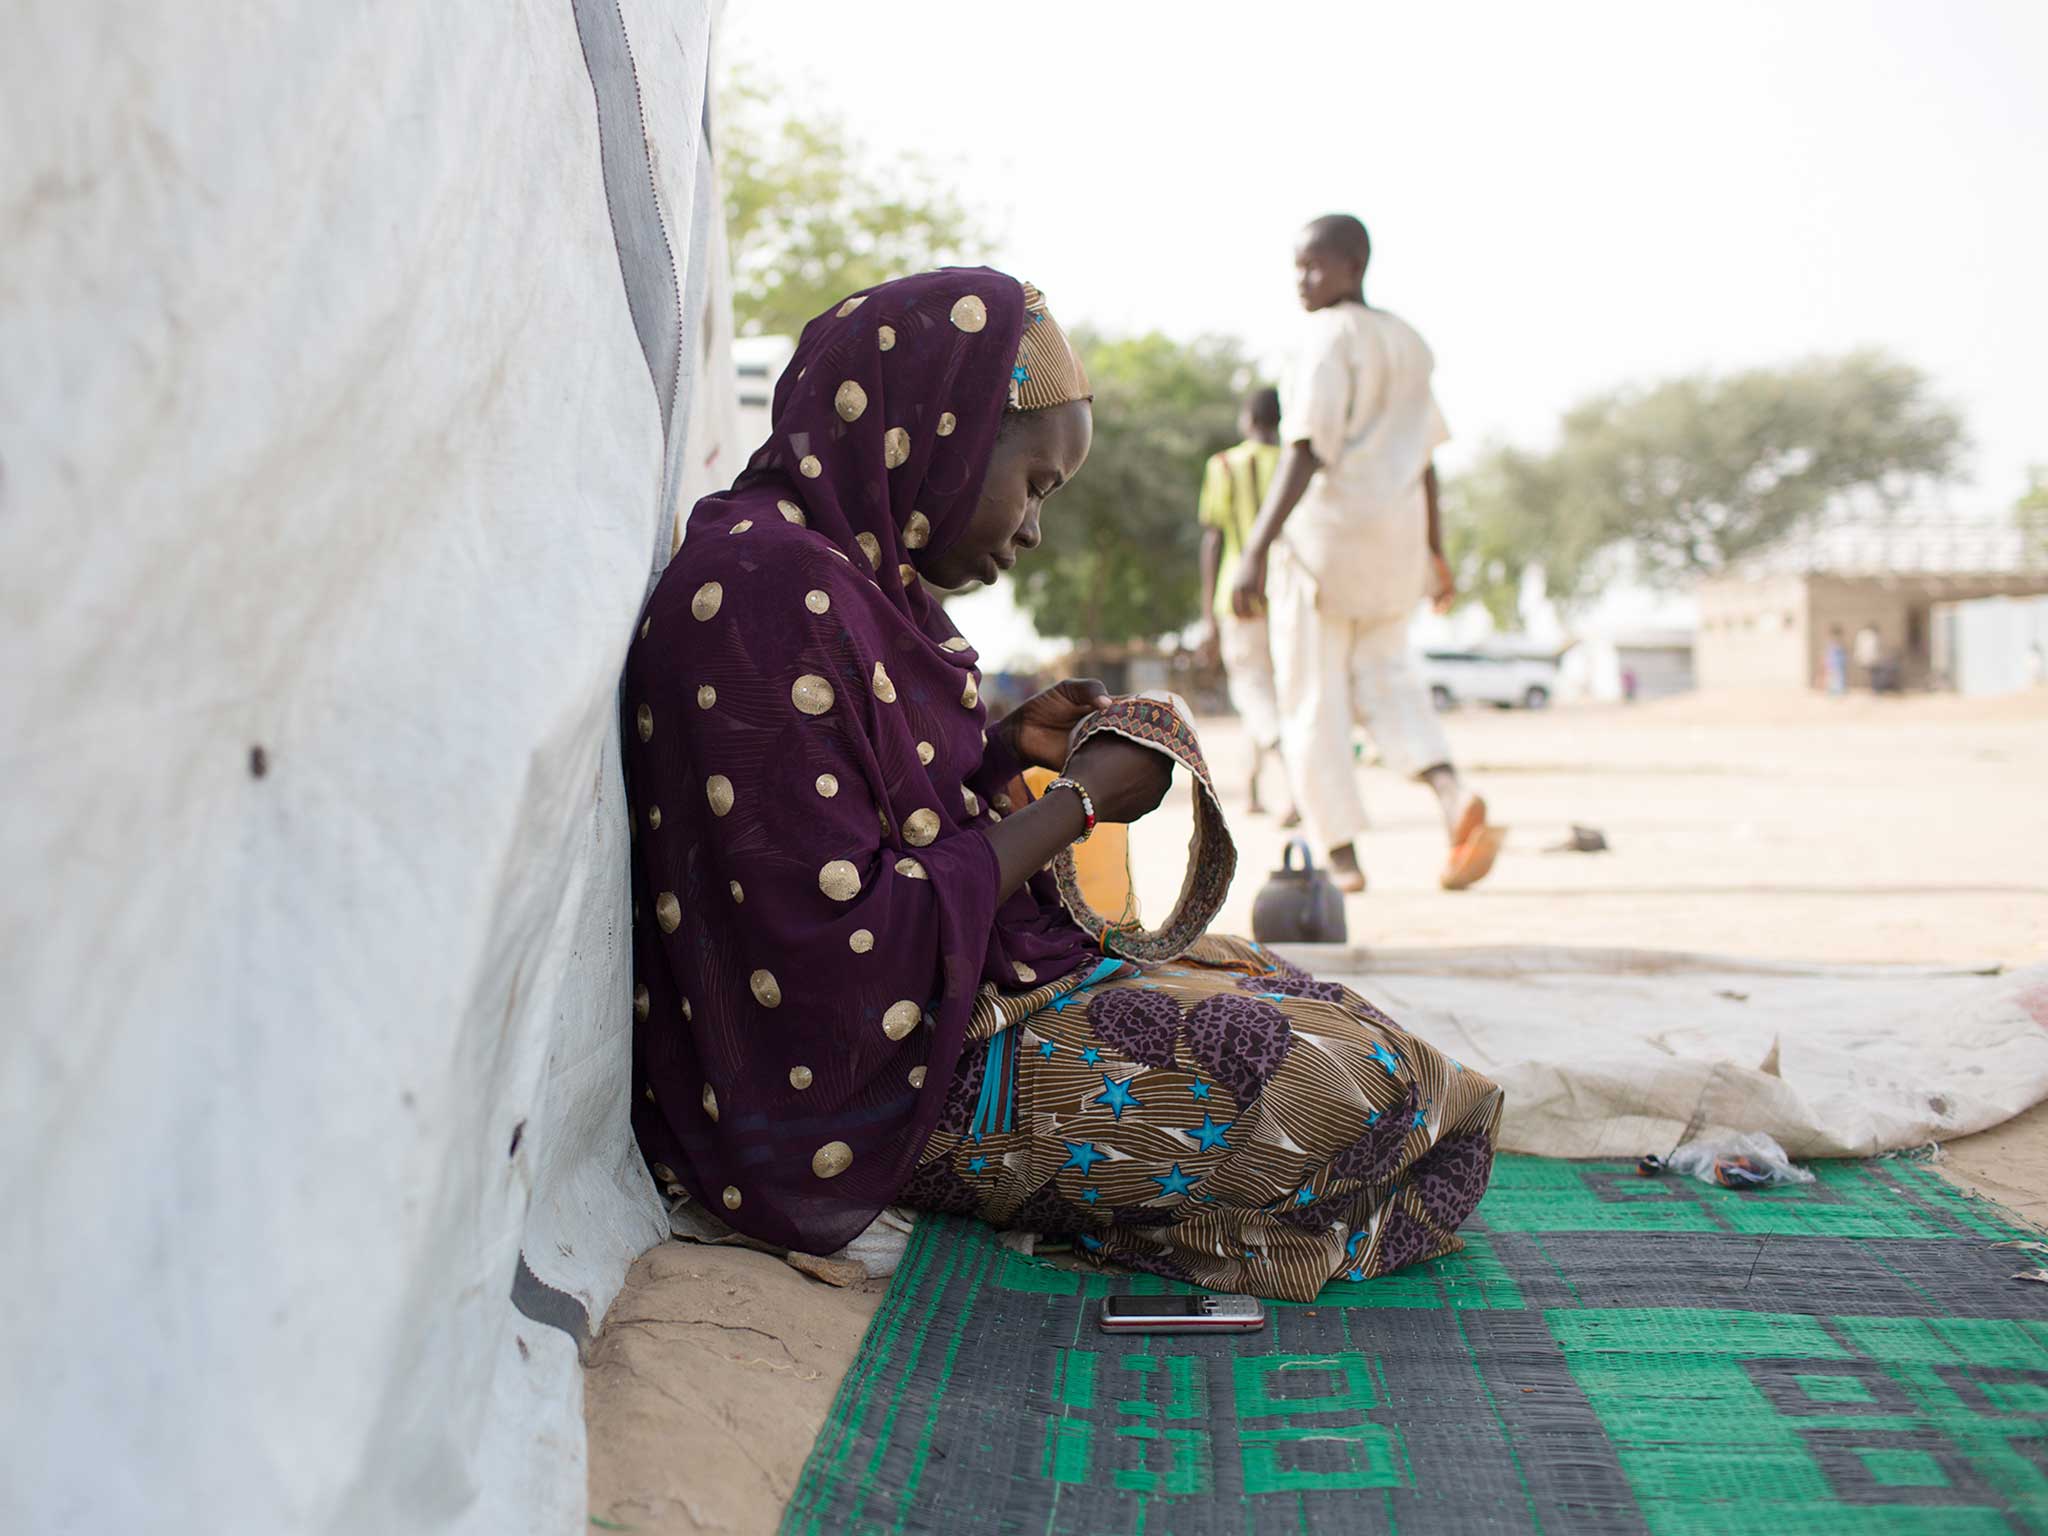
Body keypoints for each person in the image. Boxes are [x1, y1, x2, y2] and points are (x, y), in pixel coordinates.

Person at [623, 269, 1502, 1302]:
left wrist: (999, 753)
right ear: (937, 433)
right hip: (860, 1089)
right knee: (1353, 1090)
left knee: (1327, 1013)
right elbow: (831, 959)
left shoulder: (843, 582)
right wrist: (1069, 805)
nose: (1032, 528)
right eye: (1034, 482)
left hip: (946, 1008)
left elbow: (867, 826)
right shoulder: (767, 590)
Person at [1232, 215, 1502, 895]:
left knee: (1312, 698)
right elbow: (1427, 460)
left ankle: (1342, 855)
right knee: (1392, 683)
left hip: (1326, 545)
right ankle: (1450, 794)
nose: (1302, 280)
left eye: (1314, 267)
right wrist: (1435, 552)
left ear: (1352, 266)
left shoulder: (1326, 337)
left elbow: (1305, 449)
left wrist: (1255, 551)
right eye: (1297, 268)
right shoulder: (1407, 341)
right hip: (1394, 546)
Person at [1198, 387, 1297, 822]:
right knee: (1276, 693)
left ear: (1247, 418)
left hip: (1237, 595)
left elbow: (1214, 538)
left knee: (1252, 689)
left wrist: (1208, 617)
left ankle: (1294, 780)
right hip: (1291, 594)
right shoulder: (1297, 463)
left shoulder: (1225, 465)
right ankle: (1255, 789)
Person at [1824, 626, 1849, 697]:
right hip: (1833, 664)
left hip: (1838, 664)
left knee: (1838, 678)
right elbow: (1828, 654)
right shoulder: (1832, 643)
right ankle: (1834, 692)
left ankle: (1838, 692)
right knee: (1833, 678)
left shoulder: (1838, 643)